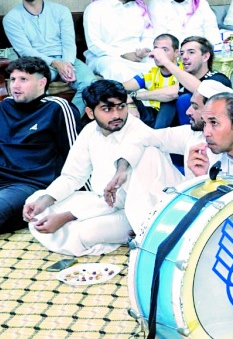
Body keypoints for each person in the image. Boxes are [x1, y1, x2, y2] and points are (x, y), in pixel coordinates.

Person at [106, 80, 233, 242]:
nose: (206, 132)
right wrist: (203, 181)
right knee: (148, 153)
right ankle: (147, 234)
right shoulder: (215, 146)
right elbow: (220, 207)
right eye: (206, 123)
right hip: (230, 225)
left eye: (214, 123)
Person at [22, 80, 150, 256]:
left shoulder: (139, 134)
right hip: (98, 201)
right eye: (107, 109)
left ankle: (82, 235)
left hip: (131, 210)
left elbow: (122, 198)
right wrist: (45, 200)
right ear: (90, 112)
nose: (116, 115)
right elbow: (73, 176)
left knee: (85, 232)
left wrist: (68, 216)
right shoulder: (90, 131)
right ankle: (74, 234)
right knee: (36, 201)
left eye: (121, 107)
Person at [0, 57, 79, 238]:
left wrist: (79, 203)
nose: (15, 85)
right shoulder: (5, 106)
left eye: (23, 79)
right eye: (13, 79)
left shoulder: (57, 108)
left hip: (28, 184)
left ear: (42, 82)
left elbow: (77, 156)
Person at [3, 0, 97, 114]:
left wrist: (67, 64)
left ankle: (71, 119)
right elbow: (25, 51)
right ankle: (48, 122)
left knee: (90, 83)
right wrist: (55, 63)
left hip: (66, 58)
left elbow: (68, 42)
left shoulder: (61, 11)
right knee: (35, 87)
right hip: (36, 63)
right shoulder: (11, 18)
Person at [83, 0, 156, 81]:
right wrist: (123, 54)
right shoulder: (95, 9)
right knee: (116, 69)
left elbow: (148, 35)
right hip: (107, 57)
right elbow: (94, 44)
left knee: (160, 63)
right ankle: (137, 92)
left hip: (138, 56)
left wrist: (144, 49)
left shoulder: (139, 8)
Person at [141, 35, 232, 127]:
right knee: (167, 103)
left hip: (206, 131)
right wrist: (134, 96)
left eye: (191, 52)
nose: (184, 57)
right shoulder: (184, 82)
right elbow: (169, 93)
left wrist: (165, 61)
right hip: (179, 130)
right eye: (182, 53)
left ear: (205, 57)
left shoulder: (218, 79)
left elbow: (202, 90)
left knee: (184, 99)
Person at [123, 33, 181, 129]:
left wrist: (134, 95)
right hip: (155, 117)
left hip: (178, 120)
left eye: (164, 50)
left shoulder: (184, 71)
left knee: (169, 102)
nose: (158, 54)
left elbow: (174, 93)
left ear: (176, 53)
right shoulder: (151, 74)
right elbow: (118, 87)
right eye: (156, 49)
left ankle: (157, 135)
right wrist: (130, 103)